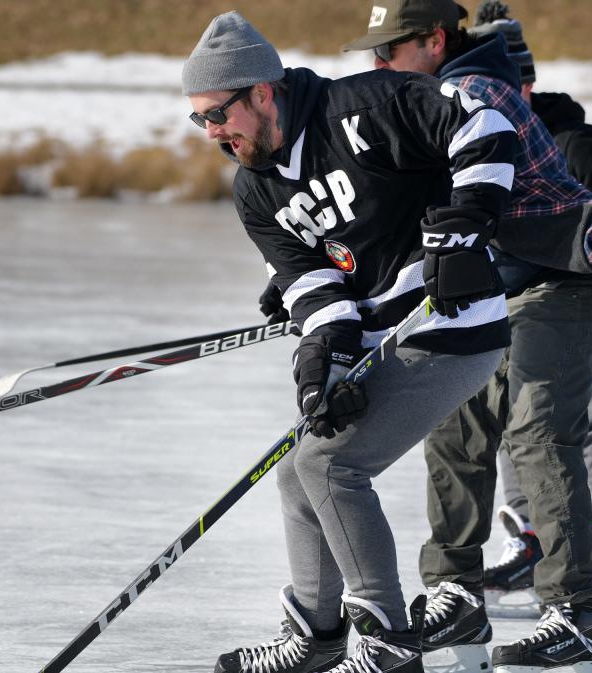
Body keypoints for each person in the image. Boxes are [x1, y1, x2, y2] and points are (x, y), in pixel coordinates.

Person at [183, 10, 519, 673]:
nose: (213, 132)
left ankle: (389, 640)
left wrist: (462, 226)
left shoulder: (363, 105)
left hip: (451, 321)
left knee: (330, 466)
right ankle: (318, 634)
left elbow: (485, 124)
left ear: (262, 91)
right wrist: (321, 366)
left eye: (219, 113)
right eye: (200, 120)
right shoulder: (254, 187)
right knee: (296, 468)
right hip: (381, 340)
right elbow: (312, 287)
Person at [343, 1, 592, 671]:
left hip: (567, 272)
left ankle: (579, 614)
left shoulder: (473, 93)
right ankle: (457, 597)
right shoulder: (426, 96)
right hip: (501, 279)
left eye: (390, 51)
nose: (378, 64)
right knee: (454, 417)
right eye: (374, 53)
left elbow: (460, 197)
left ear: (434, 41)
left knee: (536, 430)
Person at [467, 0, 592, 628]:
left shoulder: (576, 144)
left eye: (511, 85)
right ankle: (529, 543)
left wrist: (552, 259)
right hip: (541, 298)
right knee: (515, 413)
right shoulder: (486, 144)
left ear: (527, 84)